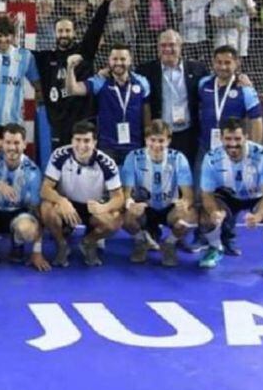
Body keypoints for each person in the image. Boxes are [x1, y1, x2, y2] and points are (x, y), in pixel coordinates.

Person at [198, 118, 263, 281]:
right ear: (221, 138)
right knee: (205, 216)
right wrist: (214, 212)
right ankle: (215, 248)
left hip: (256, 196)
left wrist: (258, 216)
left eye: (237, 139)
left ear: (246, 137)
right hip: (227, 196)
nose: (233, 144)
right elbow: (207, 194)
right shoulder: (211, 158)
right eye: (228, 139)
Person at [32, 0, 111, 151]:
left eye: (67, 30)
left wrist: (106, 3)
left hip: (83, 122)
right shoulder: (46, 58)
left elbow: (95, 29)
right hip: (58, 125)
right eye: (60, 31)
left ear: (74, 32)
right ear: (55, 33)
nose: (64, 34)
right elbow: (21, 54)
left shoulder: (84, 53)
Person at [39, 121, 124, 267]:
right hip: (67, 206)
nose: (81, 145)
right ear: (72, 140)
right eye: (77, 140)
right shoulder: (60, 155)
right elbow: (45, 189)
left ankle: (89, 242)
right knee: (46, 208)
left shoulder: (107, 163)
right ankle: (62, 245)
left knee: (116, 220)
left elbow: (119, 198)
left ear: (95, 142)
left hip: (92, 208)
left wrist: (103, 208)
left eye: (87, 141)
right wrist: (62, 201)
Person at [120, 120, 197, 267]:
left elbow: (188, 195)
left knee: (189, 216)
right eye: (152, 140)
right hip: (145, 207)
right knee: (123, 216)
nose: (156, 145)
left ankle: (169, 244)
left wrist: (184, 204)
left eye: (161, 141)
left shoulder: (178, 159)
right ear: (146, 140)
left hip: (169, 207)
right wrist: (131, 204)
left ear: (169, 140)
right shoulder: (134, 157)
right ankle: (140, 241)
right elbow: (126, 193)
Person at [0, 124, 49, 270]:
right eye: (8, 142)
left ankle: (18, 244)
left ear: (24, 145)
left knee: (28, 230)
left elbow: (36, 210)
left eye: (16, 143)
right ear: (2, 143)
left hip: (17, 213)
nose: (12, 147)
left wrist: (37, 251)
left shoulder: (33, 172)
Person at [65, 43, 151, 163]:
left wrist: (148, 138)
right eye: (115, 59)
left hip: (134, 145)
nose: (118, 62)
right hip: (108, 146)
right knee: (108, 182)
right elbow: (72, 89)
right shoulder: (100, 82)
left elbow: (146, 111)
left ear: (130, 60)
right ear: (109, 61)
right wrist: (70, 68)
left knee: (132, 182)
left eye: (122, 59)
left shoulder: (142, 82)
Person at [139, 30, 207, 169]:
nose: (167, 49)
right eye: (163, 45)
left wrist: (239, 79)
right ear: (157, 48)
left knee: (187, 173)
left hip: (188, 134)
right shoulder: (145, 70)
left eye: (172, 45)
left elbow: (216, 82)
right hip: (159, 135)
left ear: (180, 46)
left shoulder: (198, 69)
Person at [0, 15, 41, 134]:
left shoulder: (25, 56)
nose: (3, 40)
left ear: (13, 36)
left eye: (7, 35)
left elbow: (37, 83)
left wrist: (41, 104)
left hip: (13, 121)